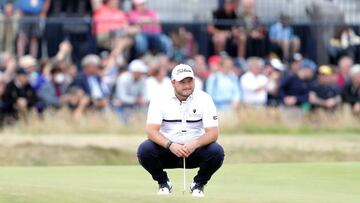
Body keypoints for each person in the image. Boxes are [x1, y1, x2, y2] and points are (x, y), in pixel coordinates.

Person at [137, 64, 224, 197]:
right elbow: (151, 131)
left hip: (194, 151)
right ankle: (163, 182)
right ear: (173, 83)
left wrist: (194, 144)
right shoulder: (159, 99)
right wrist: (170, 145)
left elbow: (213, 133)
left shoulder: (204, 99)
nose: (187, 85)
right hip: (167, 150)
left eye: (190, 81)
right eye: (182, 82)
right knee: (145, 149)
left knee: (216, 152)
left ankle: (198, 184)